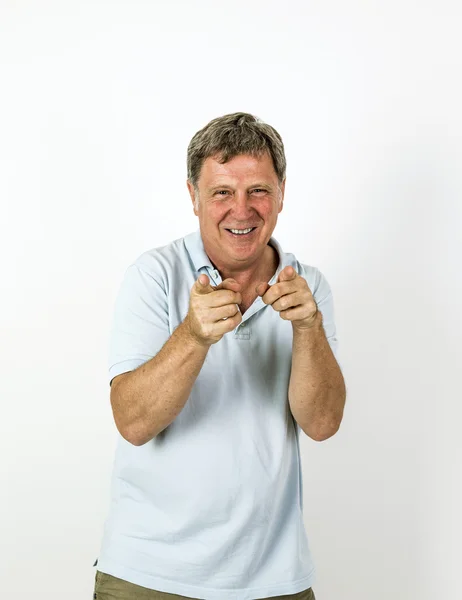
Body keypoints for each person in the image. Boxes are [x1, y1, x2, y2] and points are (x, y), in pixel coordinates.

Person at [92, 112, 346, 600]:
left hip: (274, 579)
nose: (242, 209)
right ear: (193, 197)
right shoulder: (154, 275)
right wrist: (193, 336)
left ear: (282, 193)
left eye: (258, 190)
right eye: (222, 192)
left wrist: (308, 328)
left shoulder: (307, 287)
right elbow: (133, 422)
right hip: (149, 576)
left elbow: (322, 423)